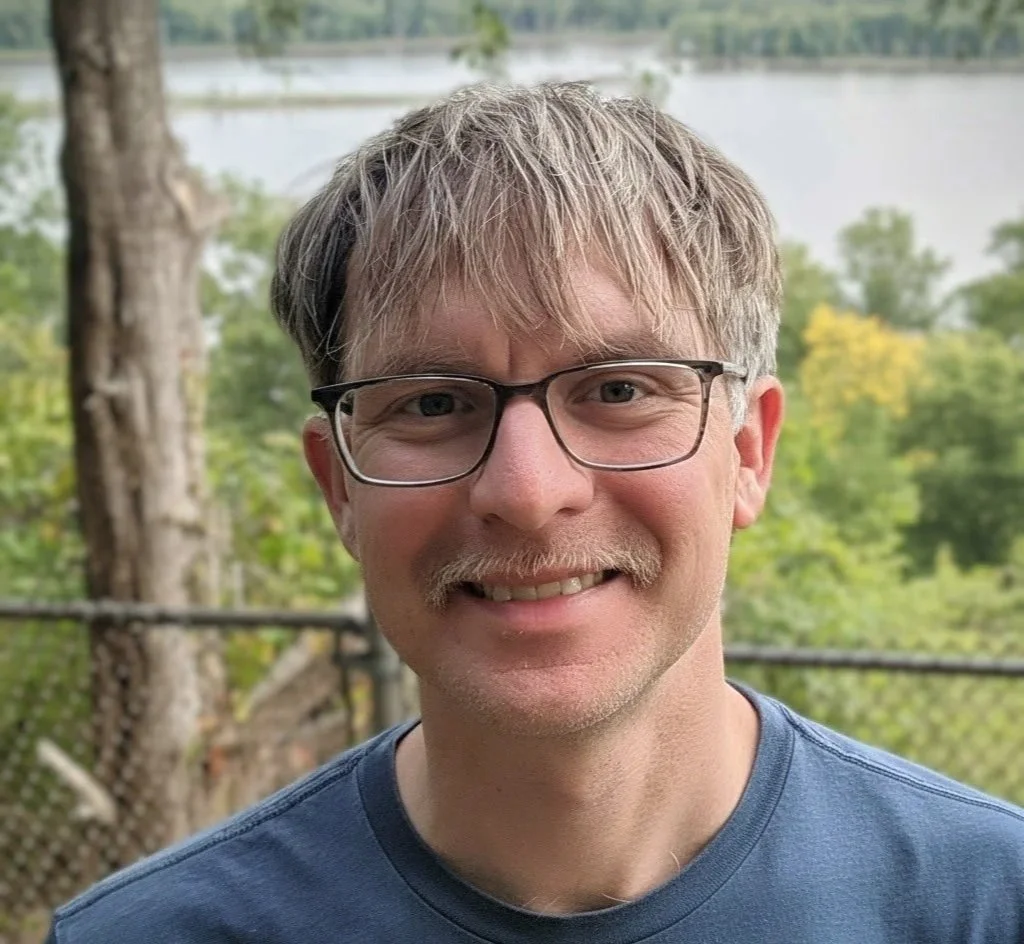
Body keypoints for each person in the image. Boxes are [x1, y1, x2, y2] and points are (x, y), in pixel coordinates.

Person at [48, 81, 1023, 944]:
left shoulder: (984, 904)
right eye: (430, 401)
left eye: (617, 390)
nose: (524, 490)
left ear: (748, 451)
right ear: (339, 484)